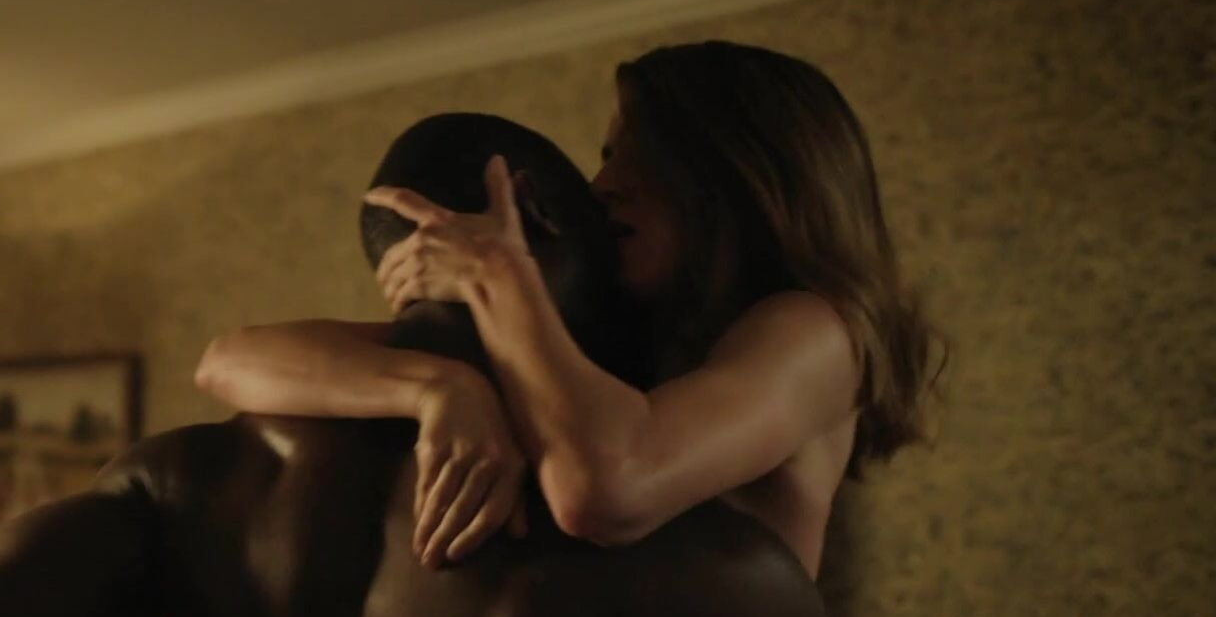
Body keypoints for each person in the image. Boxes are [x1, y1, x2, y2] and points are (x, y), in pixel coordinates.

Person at [0, 113, 865, 617]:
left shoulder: (180, 481)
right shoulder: (717, 567)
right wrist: (445, 390)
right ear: (536, 219)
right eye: (602, 208)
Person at [195, 41, 944, 577]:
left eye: (636, 153)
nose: (601, 184)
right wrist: (441, 389)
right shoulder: (612, 340)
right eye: (605, 155)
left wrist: (496, 273)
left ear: (739, 169)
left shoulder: (817, 331)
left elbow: (609, 490)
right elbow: (230, 362)